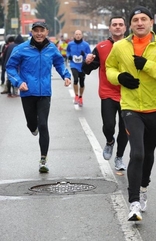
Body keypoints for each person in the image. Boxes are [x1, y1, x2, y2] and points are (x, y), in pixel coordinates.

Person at [106, 6, 156, 222]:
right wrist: (120, 78)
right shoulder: (120, 47)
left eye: (143, 19)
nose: (139, 23)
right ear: (130, 24)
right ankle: (134, 202)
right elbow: (109, 68)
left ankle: (144, 186)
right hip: (130, 107)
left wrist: (147, 65)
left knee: (148, 153)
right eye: (135, 20)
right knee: (136, 153)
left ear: (151, 23)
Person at [6, 21, 71, 173]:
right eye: (36, 31)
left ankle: (43, 159)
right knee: (32, 125)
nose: (39, 33)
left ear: (47, 32)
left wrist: (66, 76)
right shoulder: (22, 48)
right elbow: (10, 67)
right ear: (32, 32)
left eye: (42, 30)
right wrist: (18, 82)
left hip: (44, 94)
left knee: (43, 125)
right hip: (27, 92)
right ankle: (32, 127)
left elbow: (59, 63)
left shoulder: (51, 48)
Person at [82, 16, 128, 171]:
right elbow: (88, 69)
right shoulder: (101, 47)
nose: (117, 27)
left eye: (120, 24)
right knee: (109, 126)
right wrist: (87, 62)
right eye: (114, 24)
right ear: (110, 28)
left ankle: (119, 157)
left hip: (128, 95)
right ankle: (109, 142)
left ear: (125, 28)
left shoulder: (132, 45)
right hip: (108, 93)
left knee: (125, 129)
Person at [66, 30, 91, 107]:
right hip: (74, 65)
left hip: (82, 65)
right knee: (75, 79)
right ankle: (76, 95)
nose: (78, 36)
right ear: (74, 35)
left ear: (82, 35)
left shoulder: (86, 45)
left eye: (79, 34)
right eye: (76, 34)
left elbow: (89, 54)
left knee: (82, 82)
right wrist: (68, 56)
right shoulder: (70, 44)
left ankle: (80, 97)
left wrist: (85, 54)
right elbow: (67, 51)